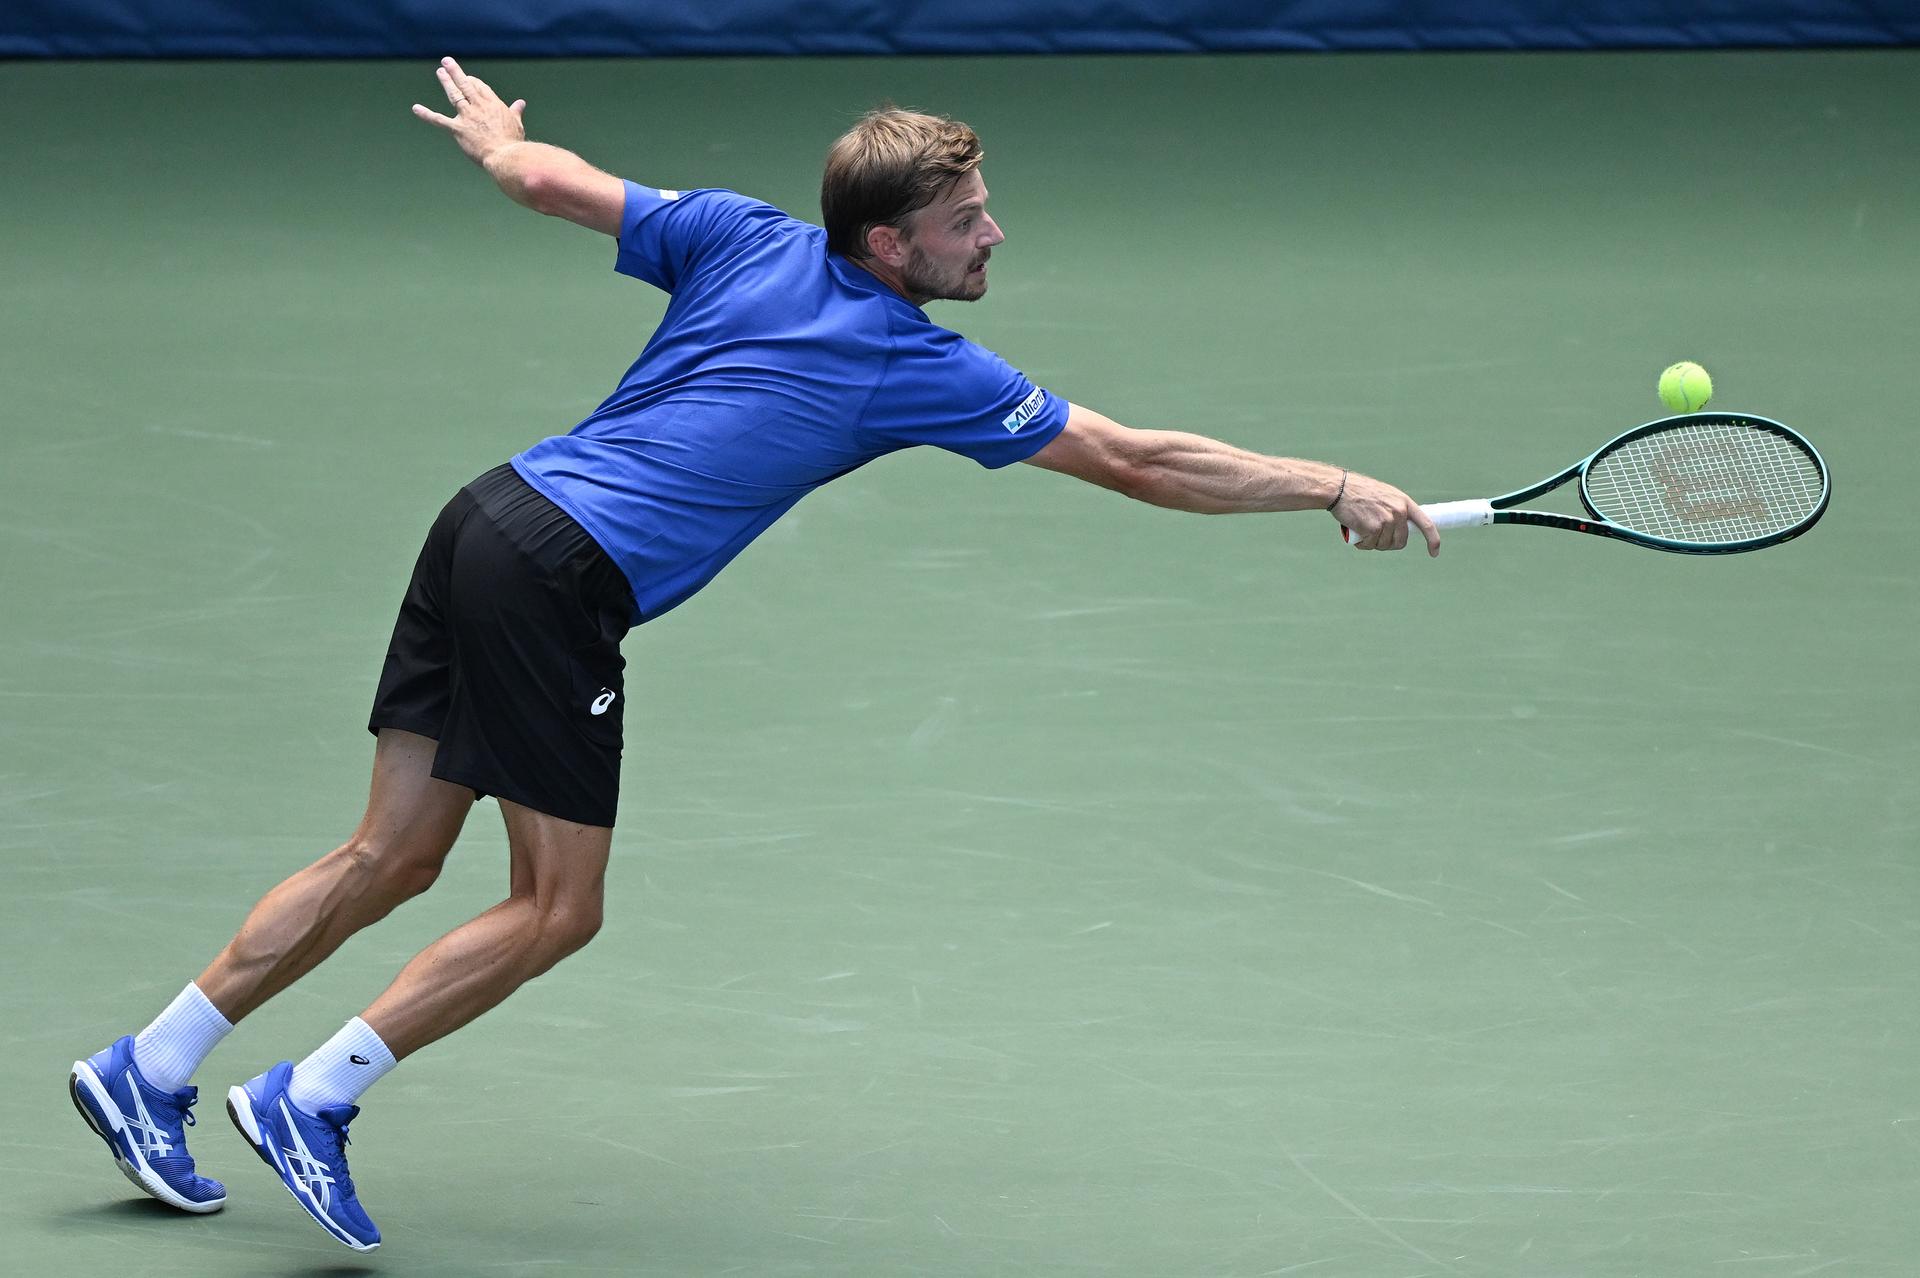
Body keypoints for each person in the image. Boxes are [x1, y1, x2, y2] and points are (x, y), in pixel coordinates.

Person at [67, 56, 1440, 1253]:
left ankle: (153, 1061)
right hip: (560, 579)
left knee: (394, 853)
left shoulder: (739, 232)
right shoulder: (925, 366)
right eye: (967, 225)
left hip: (483, 520)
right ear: (891, 246)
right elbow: (1136, 461)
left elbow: (556, 184)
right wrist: (1328, 482)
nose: (994, 238)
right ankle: (312, 1096)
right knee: (557, 906)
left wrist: (498, 144)